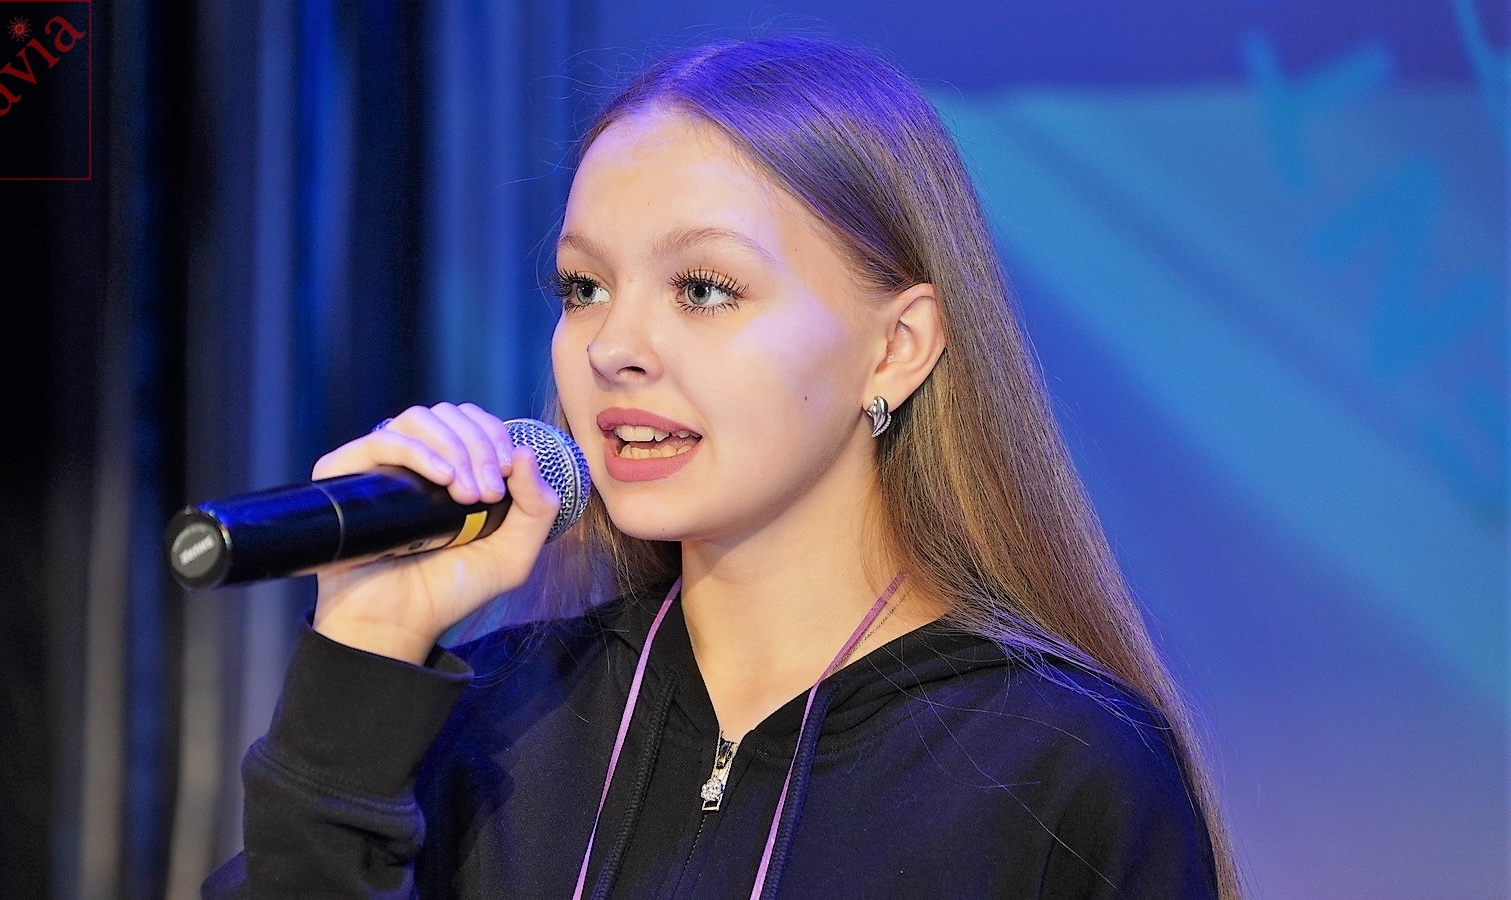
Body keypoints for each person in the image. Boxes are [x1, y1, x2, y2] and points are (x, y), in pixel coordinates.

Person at [203, 34, 1239, 899]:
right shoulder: (491, 722)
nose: (615, 347)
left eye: (703, 289)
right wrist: (365, 658)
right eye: (583, 288)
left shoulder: (1060, 765)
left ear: (896, 348)